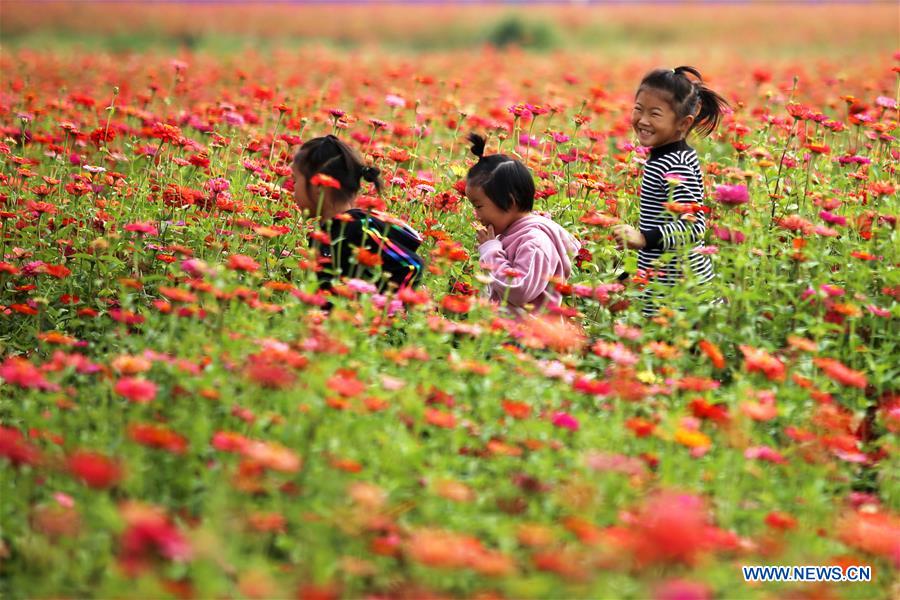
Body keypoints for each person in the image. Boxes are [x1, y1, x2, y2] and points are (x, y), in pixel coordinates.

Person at [612, 66, 729, 316]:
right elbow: (659, 228)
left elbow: (692, 227)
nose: (642, 120)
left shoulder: (676, 163)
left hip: (683, 297)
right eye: (638, 109)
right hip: (662, 287)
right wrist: (630, 275)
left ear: (683, 123)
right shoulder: (662, 158)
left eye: (655, 114)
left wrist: (644, 238)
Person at [465, 133, 580, 315]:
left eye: (479, 206)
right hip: (502, 332)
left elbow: (520, 290)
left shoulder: (535, 242)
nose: (476, 215)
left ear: (510, 201)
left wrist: (491, 251)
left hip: (528, 337)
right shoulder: (511, 232)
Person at [291, 135, 423, 292]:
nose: (292, 189)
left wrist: (383, 305)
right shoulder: (326, 233)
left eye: (295, 180)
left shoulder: (356, 227)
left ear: (320, 186)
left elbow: (411, 265)